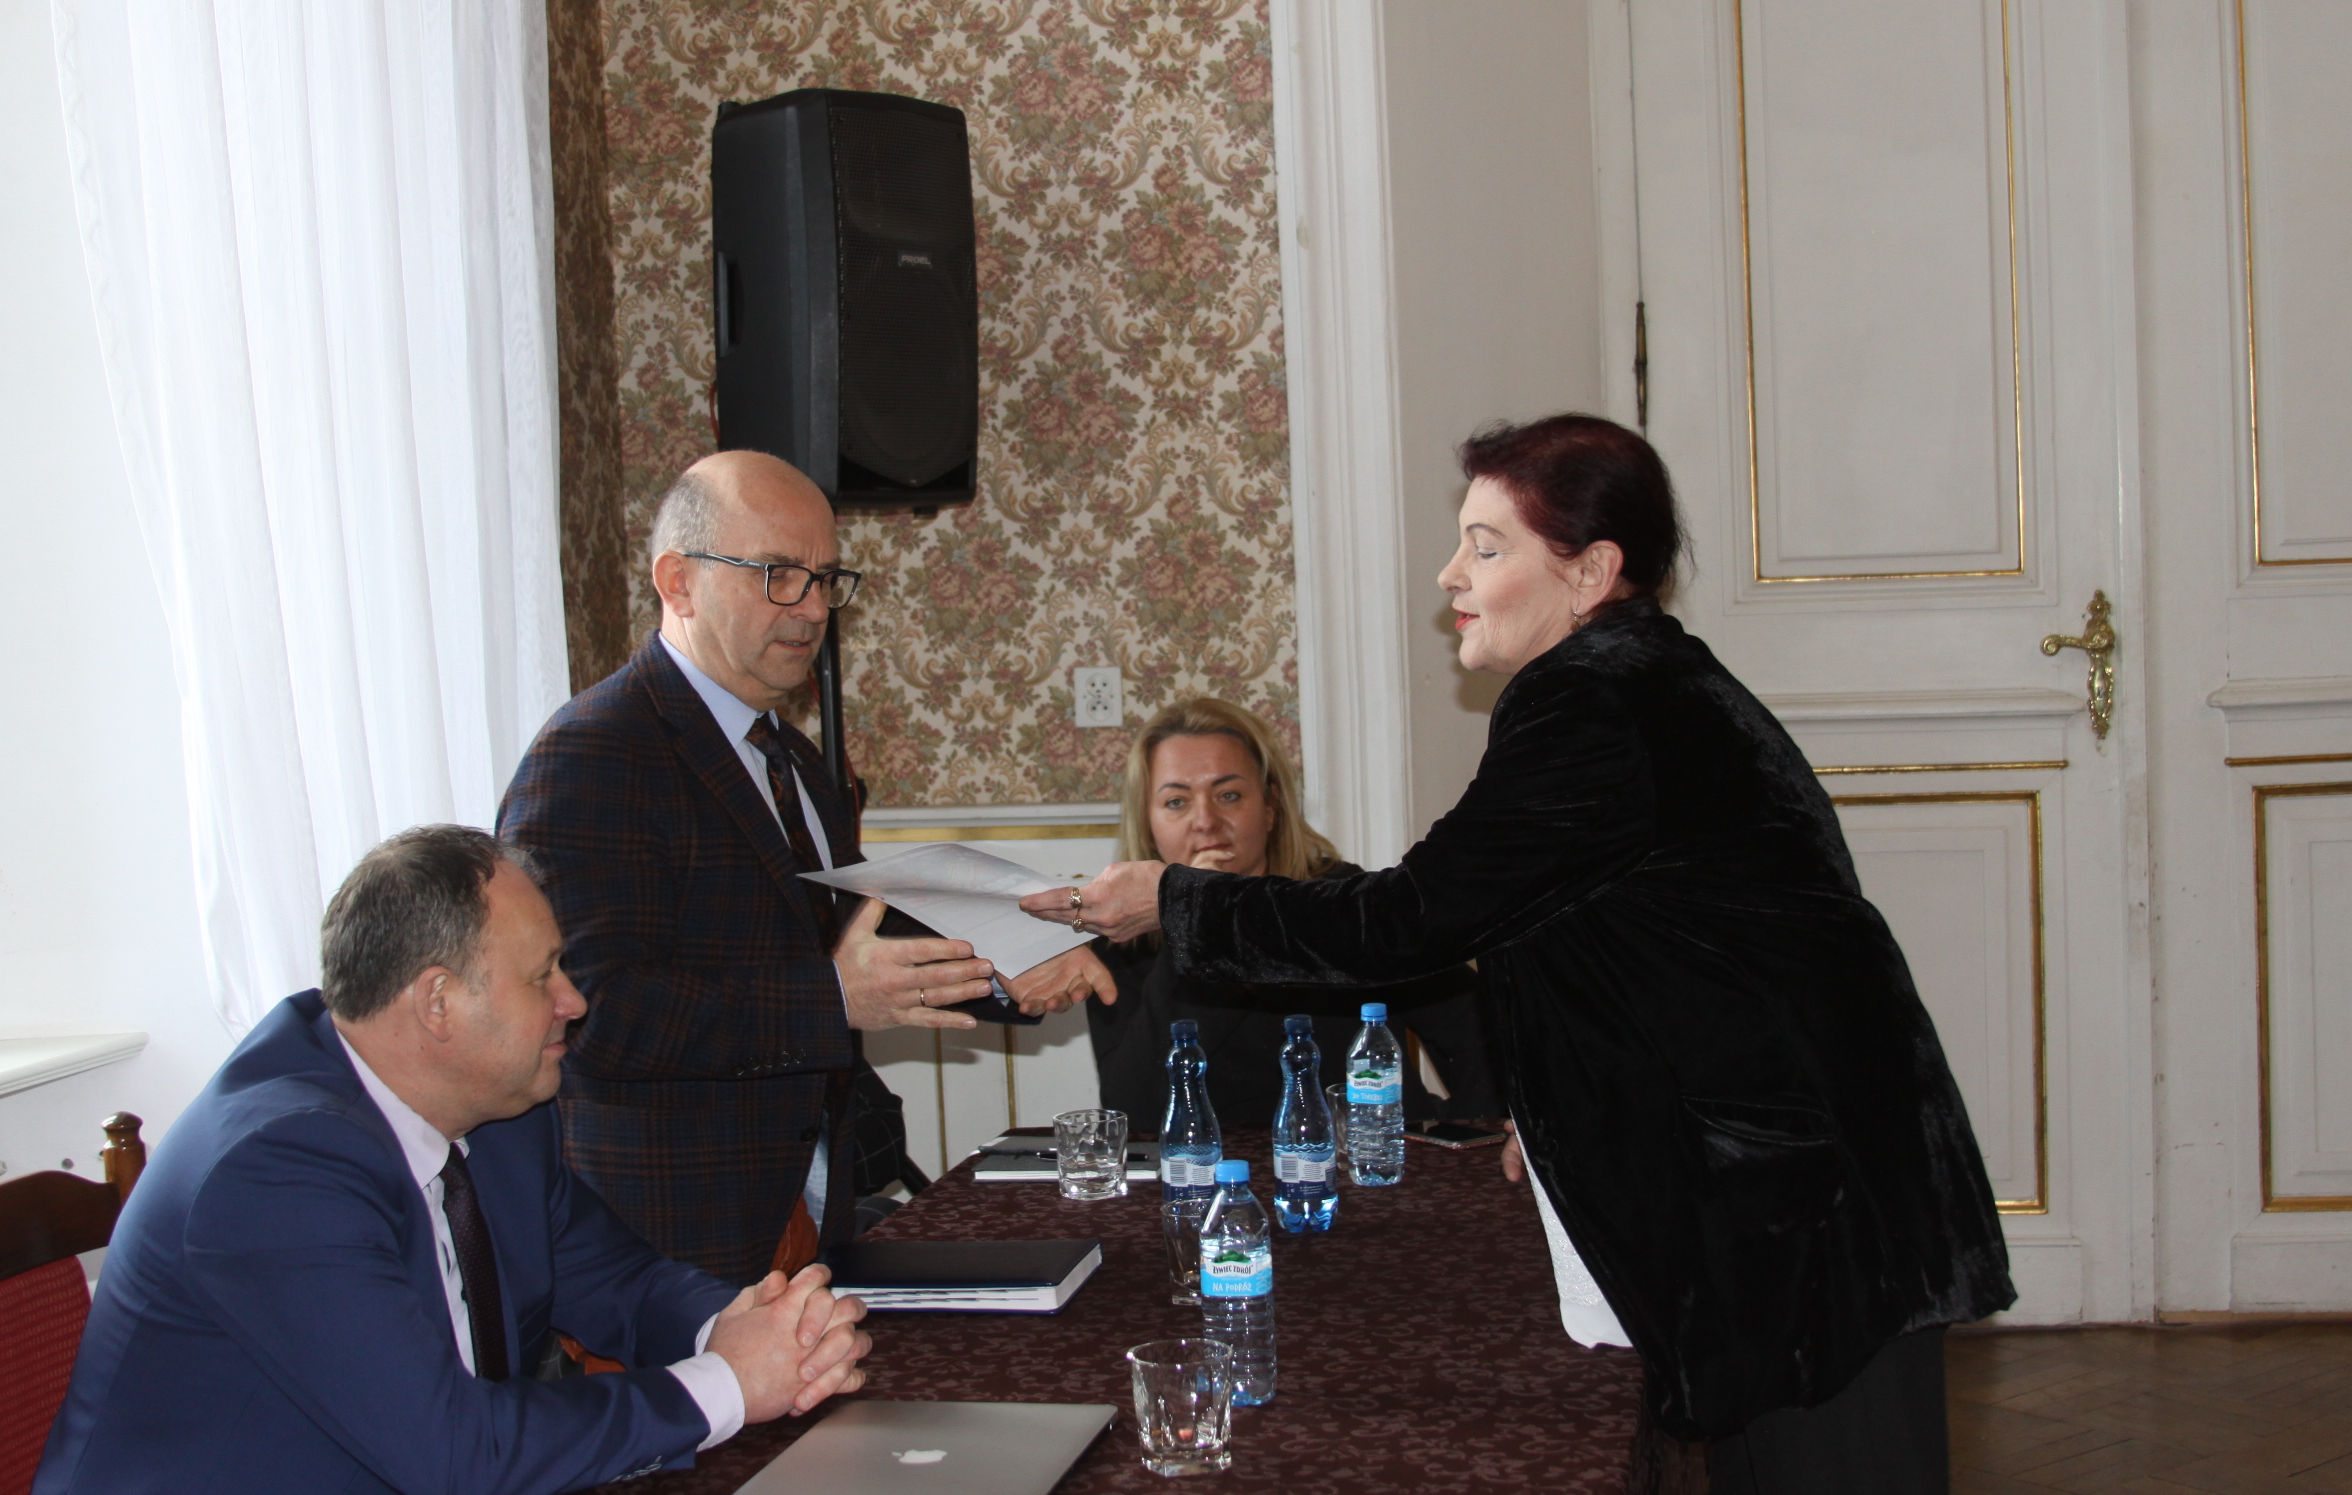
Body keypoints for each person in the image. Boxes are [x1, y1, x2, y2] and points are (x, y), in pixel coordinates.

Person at [1027, 414, 2013, 1491]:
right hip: (1800, 1185)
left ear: (1590, 571)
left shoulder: (1595, 702)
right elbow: (1582, 939)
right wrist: (1552, 1116)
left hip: (1808, 1205)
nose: (1450, 574)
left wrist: (1176, 899)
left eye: (1486, 547)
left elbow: (1411, 921)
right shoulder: (1639, 680)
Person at [36, 826, 871, 1495]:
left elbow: (616, 1279)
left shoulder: (497, 1108)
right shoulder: (278, 1170)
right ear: (438, 1002)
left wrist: (749, 1329)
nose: (574, 1000)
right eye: (542, 977)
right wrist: (726, 1385)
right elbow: (456, 1456)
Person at [499, 451, 1086, 1283]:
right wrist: (833, 998)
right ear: (678, 583)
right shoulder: (595, 755)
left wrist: (1012, 963)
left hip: (808, 1220)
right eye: (778, 575)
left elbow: (850, 937)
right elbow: (598, 1014)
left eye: (826, 579)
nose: (812, 609)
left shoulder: (793, 759)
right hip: (668, 1251)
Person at [1082, 696, 1493, 1126]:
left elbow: (1475, 1029)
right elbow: (1134, 1110)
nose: (1205, 821)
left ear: (1270, 807)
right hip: (1216, 1164)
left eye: (1229, 795)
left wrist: (1474, 1138)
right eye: (1176, 802)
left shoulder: (1344, 901)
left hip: (1363, 1158)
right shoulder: (1123, 942)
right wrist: (1195, 923)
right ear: (1148, 824)